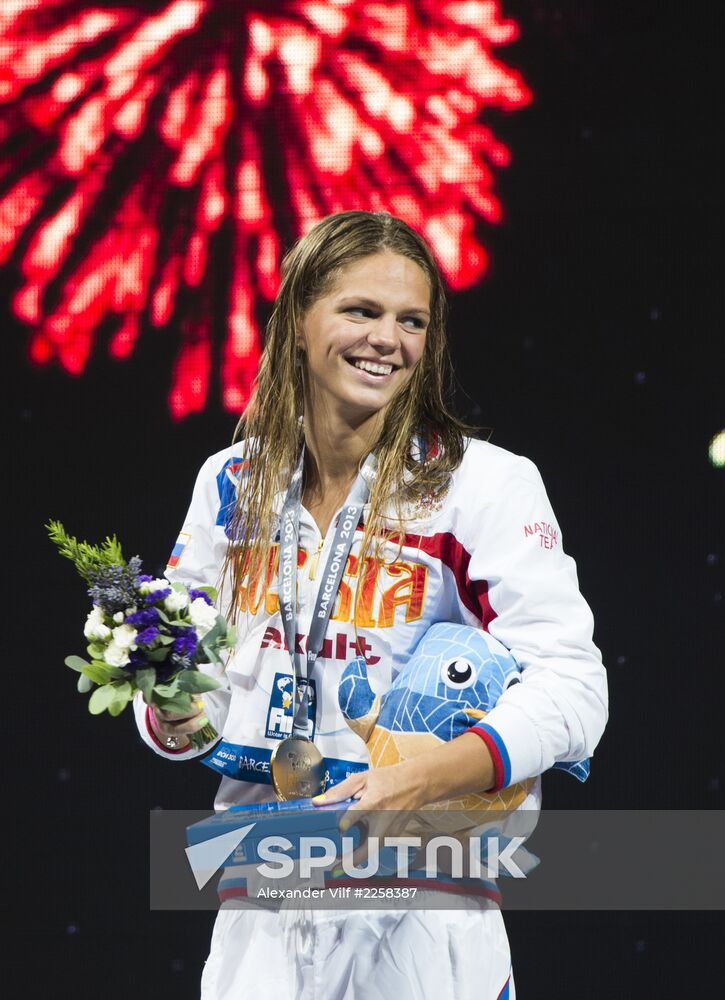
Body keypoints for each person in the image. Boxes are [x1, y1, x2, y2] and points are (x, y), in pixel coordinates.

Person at [133, 210, 608, 998]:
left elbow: (574, 689)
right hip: (259, 909)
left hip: (422, 910)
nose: (387, 339)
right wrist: (174, 717)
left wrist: (420, 777)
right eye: (361, 310)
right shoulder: (229, 482)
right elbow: (187, 695)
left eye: (411, 320)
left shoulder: (481, 484)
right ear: (297, 320)